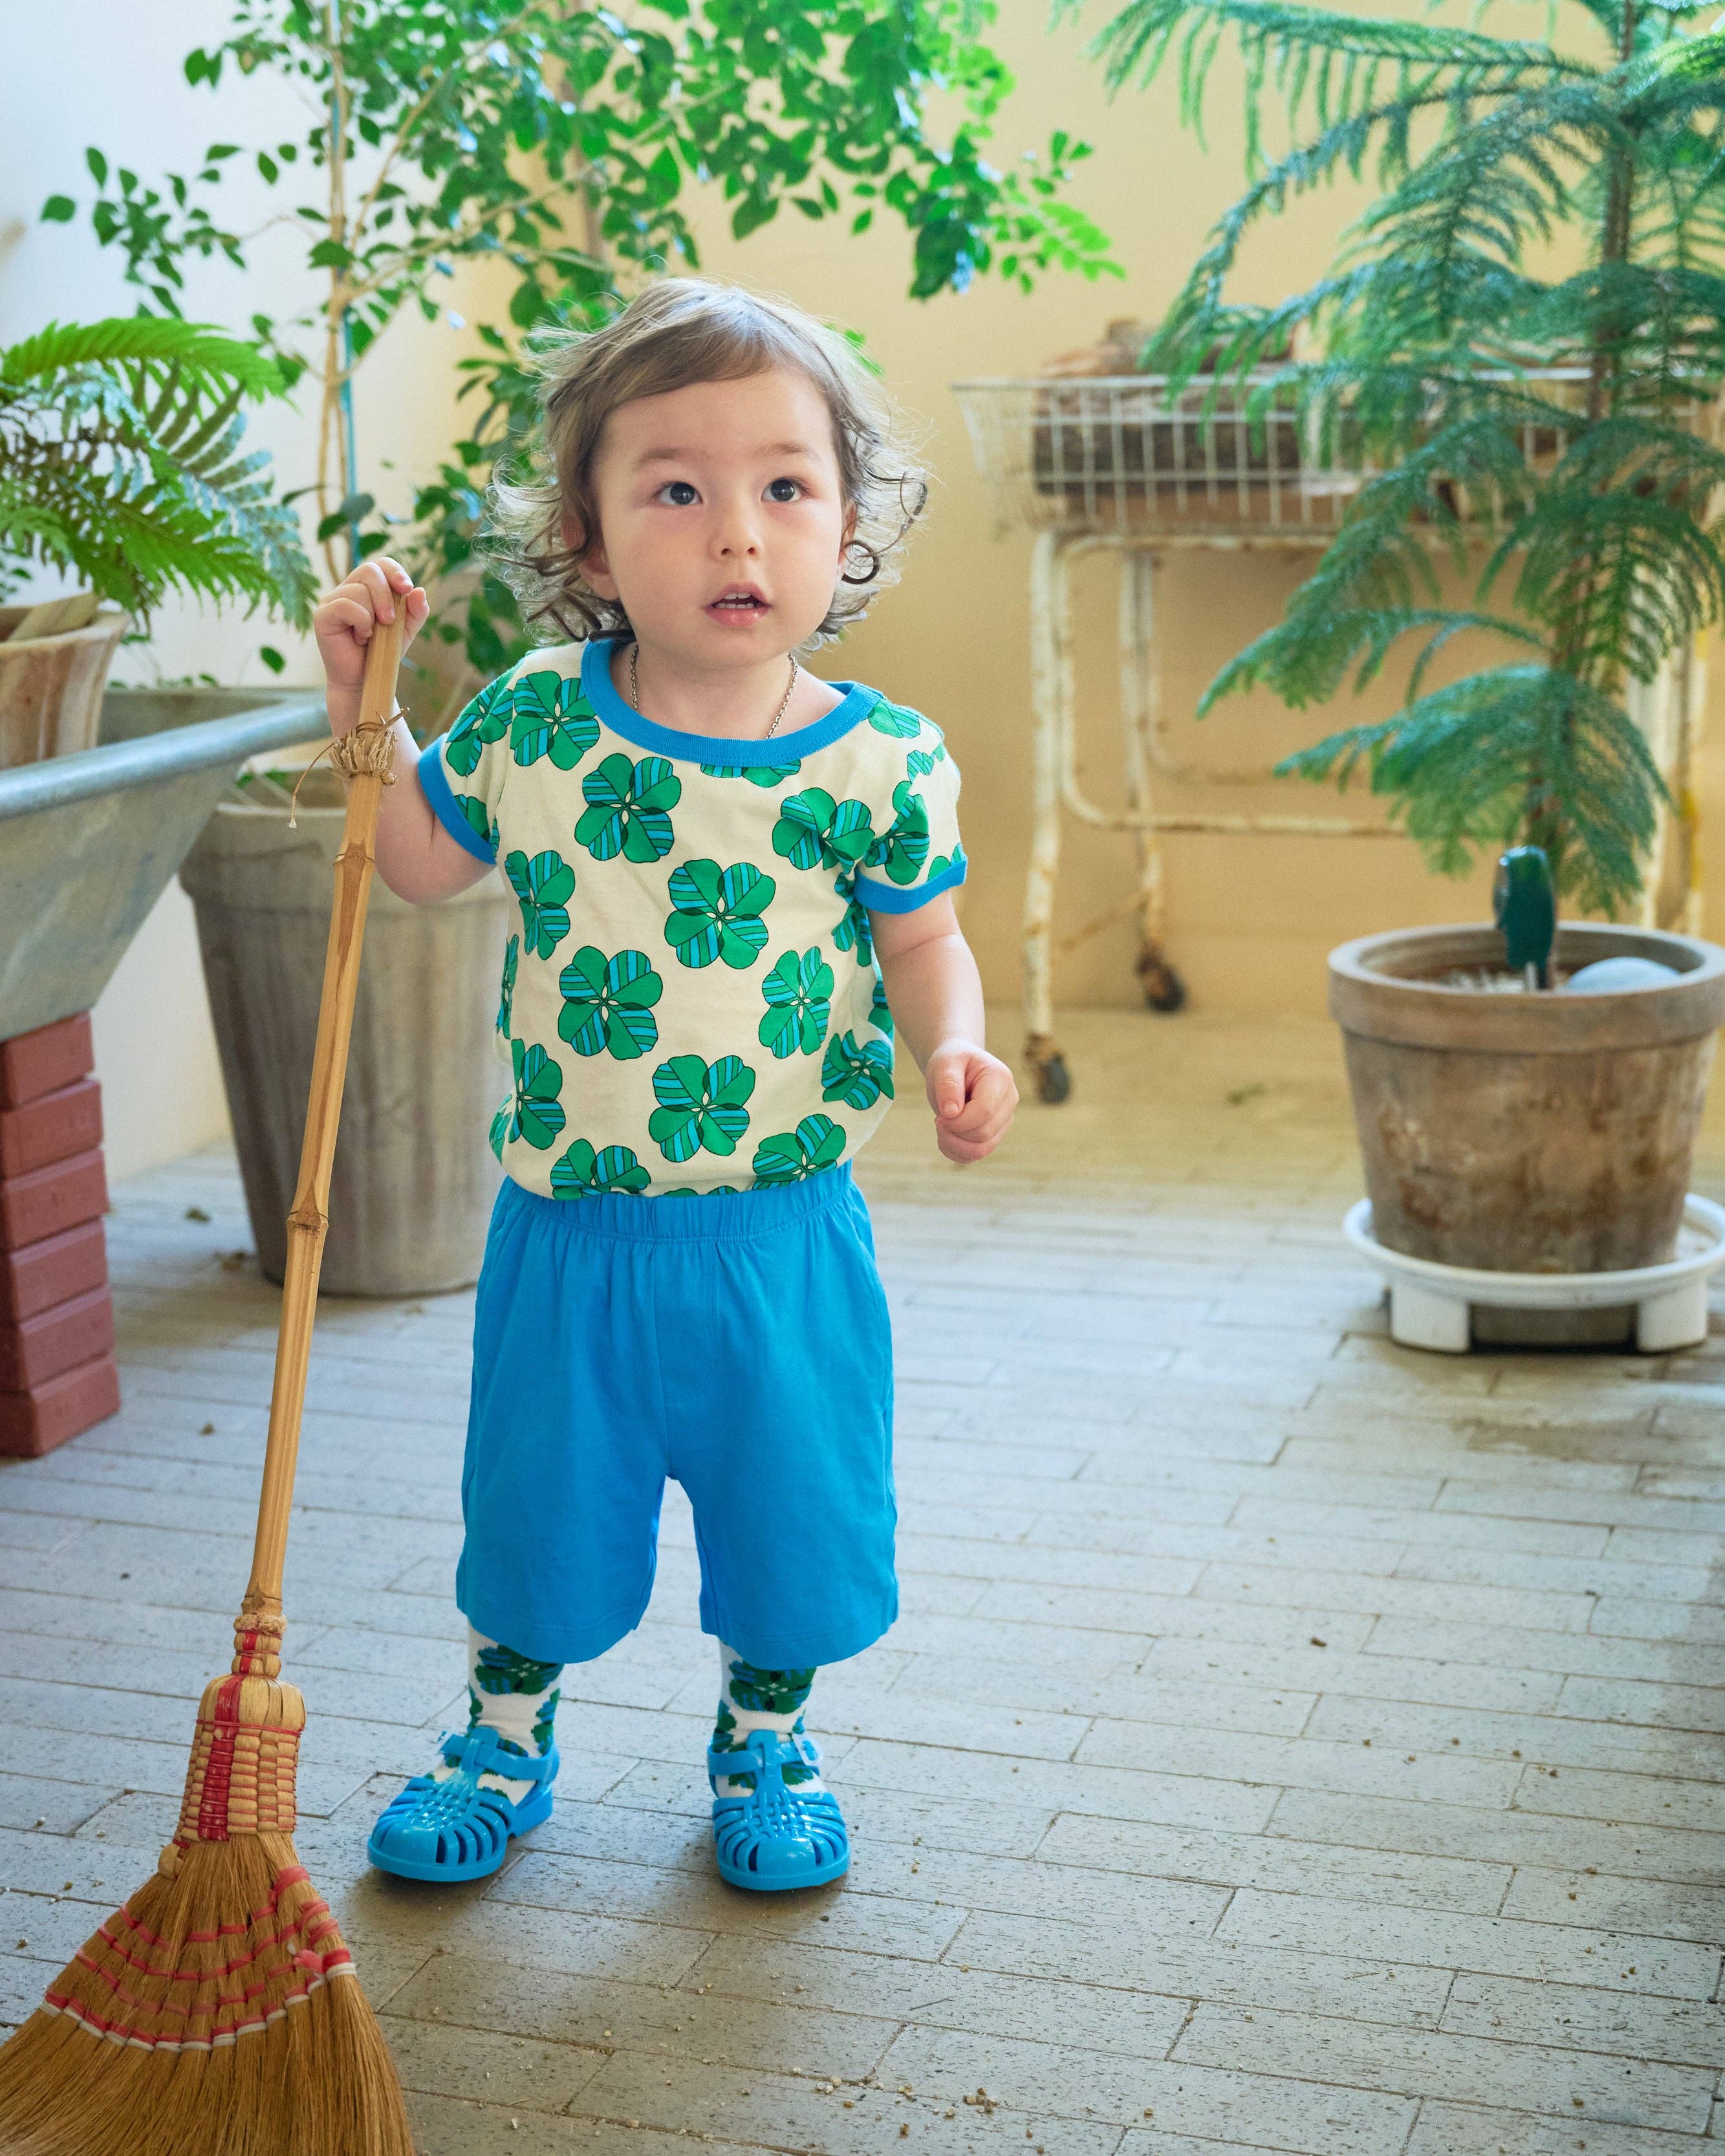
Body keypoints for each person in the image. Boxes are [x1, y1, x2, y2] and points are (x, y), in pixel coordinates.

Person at [310, 277, 1017, 1893]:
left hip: (781, 1232)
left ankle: (765, 1741)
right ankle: (502, 1738)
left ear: (848, 526)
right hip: (571, 1231)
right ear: (586, 536)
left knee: (794, 1519)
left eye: (785, 486)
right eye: (676, 490)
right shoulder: (535, 726)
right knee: (538, 1517)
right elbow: (416, 862)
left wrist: (954, 1045)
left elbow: (924, 939)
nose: (735, 533)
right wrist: (365, 708)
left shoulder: (877, 763)